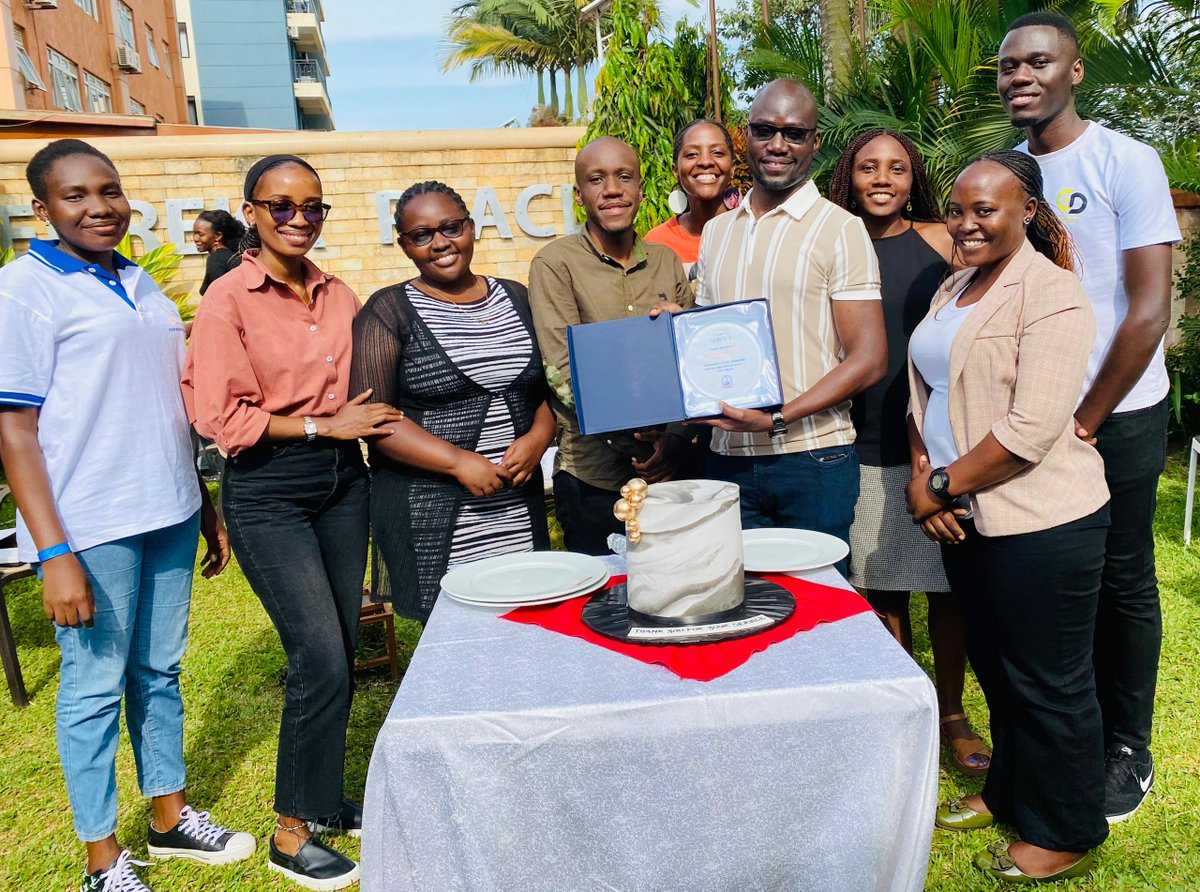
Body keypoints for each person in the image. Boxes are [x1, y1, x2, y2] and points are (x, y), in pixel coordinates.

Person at [0, 139, 253, 892]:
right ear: (41, 209)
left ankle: (171, 819)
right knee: (92, 687)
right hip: (91, 522)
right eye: (75, 195)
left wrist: (202, 504)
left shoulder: (139, 281)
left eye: (108, 190)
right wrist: (53, 554)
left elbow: (162, 405)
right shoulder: (23, 288)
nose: (98, 206)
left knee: (160, 670)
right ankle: (102, 861)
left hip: (168, 507)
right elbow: (13, 430)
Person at [184, 154, 403, 890]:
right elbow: (220, 417)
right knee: (318, 658)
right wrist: (320, 426)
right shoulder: (228, 300)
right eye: (281, 206)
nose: (298, 218)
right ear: (250, 211)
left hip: (344, 484)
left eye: (312, 206)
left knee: (339, 646)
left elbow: (369, 386)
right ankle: (289, 834)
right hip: (269, 490)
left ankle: (324, 800)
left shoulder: (338, 293)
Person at [999, 11, 1182, 824]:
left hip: (1117, 414)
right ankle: (1056, 736)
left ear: (1075, 71)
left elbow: (1148, 310)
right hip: (1029, 418)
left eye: (1038, 62)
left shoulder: (1125, 161)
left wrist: (1084, 419)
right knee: (1046, 581)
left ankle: (1126, 746)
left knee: (1121, 577)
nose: (1020, 77)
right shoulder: (1003, 172)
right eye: (1007, 68)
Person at [909, 150, 1109, 883]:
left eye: (984, 210)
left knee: (1049, 681)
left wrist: (939, 484)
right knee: (999, 669)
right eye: (958, 209)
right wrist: (927, 479)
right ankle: (1011, 791)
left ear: (1027, 210)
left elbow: (1030, 429)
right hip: (968, 517)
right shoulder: (955, 284)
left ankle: (1068, 829)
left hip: (1042, 523)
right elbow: (924, 389)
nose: (965, 224)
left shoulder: (1053, 296)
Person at [827, 128, 989, 776]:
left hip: (937, 442)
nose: (883, 178)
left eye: (897, 167)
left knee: (945, 589)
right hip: (857, 437)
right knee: (880, 588)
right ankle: (903, 708)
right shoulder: (831, 244)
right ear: (851, 175)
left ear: (913, 175)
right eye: (869, 167)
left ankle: (952, 715)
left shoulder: (942, 242)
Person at [692, 79, 888, 573]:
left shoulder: (840, 228)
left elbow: (869, 358)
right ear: (747, 135)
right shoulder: (717, 233)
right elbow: (710, 340)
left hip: (813, 457)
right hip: (729, 457)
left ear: (815, 142)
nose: (778, 145)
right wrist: (677, 329)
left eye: (794, 133)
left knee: (820, 615)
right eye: (765, 130)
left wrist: (778, 418)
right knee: (743, 609)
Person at [351, 181, 554, 622]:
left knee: (528, 624)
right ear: (405, 245)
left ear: (472, 227)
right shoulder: (387, 312)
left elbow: (541, 389)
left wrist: (539, 437)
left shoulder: (517, 297)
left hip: (515, 506)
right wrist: (458, 461)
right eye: (421, 235)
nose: (440, 243)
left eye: (451, 227)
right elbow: (376, 421)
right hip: (434, 510)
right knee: (454, 639)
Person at [529, 136, 693, 555]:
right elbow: (560, 369)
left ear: (640, 187)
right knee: (601, 605)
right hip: (593, 479)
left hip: (673, 473)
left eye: (624, 176)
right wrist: (638, 443)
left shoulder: (665, 261)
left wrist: (673, 440)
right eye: (596, 179)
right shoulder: (555, 264)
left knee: (674, 595)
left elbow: (691, 357)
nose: (613, 189)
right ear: (579, 195)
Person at [645, 119, 738, 275]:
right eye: (692, 154)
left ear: (732, 168)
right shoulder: (656, 243)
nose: (705, 161)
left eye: (717, 153)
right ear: (675, 170)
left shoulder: (753, 233)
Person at [192, 208, 245, 295]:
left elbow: (220, 295)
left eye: (201, 234)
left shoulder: (216, 259)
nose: (195, 239)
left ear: (218, 236)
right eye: (194, 233)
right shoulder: (232, 255)